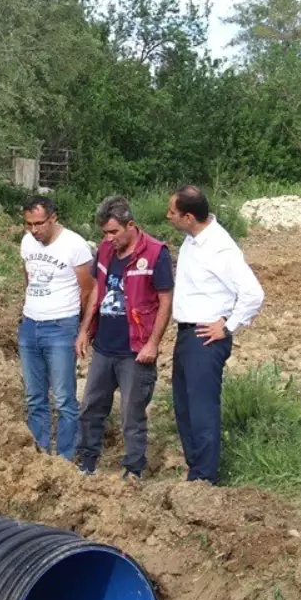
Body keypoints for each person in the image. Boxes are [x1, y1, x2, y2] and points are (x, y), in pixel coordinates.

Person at [167, 185, 265, 484]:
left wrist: (228, 325)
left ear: (188, 217)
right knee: (183, 406)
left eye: (172, 212)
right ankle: (195, 471)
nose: (167, 216)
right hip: (187, 332)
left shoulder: (220, 248)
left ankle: (204, 479)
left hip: (205, 337)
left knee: (201, 409)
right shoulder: (192, 239)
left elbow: (253, 294)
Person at [74, 196, 174, 481]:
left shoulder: (155, 254)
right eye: (104, 233)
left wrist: (153, 343)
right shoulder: (105, 251)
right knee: (91, 407)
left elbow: (165, 301)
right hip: (105, 345)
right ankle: (87, 461)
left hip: (135, 347)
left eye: (114, 232)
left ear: (131, 225)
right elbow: (96, 290)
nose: (108, 238)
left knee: (132, 414)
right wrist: (84, 330)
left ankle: (133, 469)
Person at [19, 195, 94, 460]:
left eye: (39, 223)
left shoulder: (75, 246)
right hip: (30, 325)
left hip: (61, 326)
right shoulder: (27, 242)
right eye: (29, 224)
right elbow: (28, 277)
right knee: (34, 397)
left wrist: (83, 330)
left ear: (53, 218)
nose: (34, 229)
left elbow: (88, 291)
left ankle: (65, 458)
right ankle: (39, 455)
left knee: (63, 398)